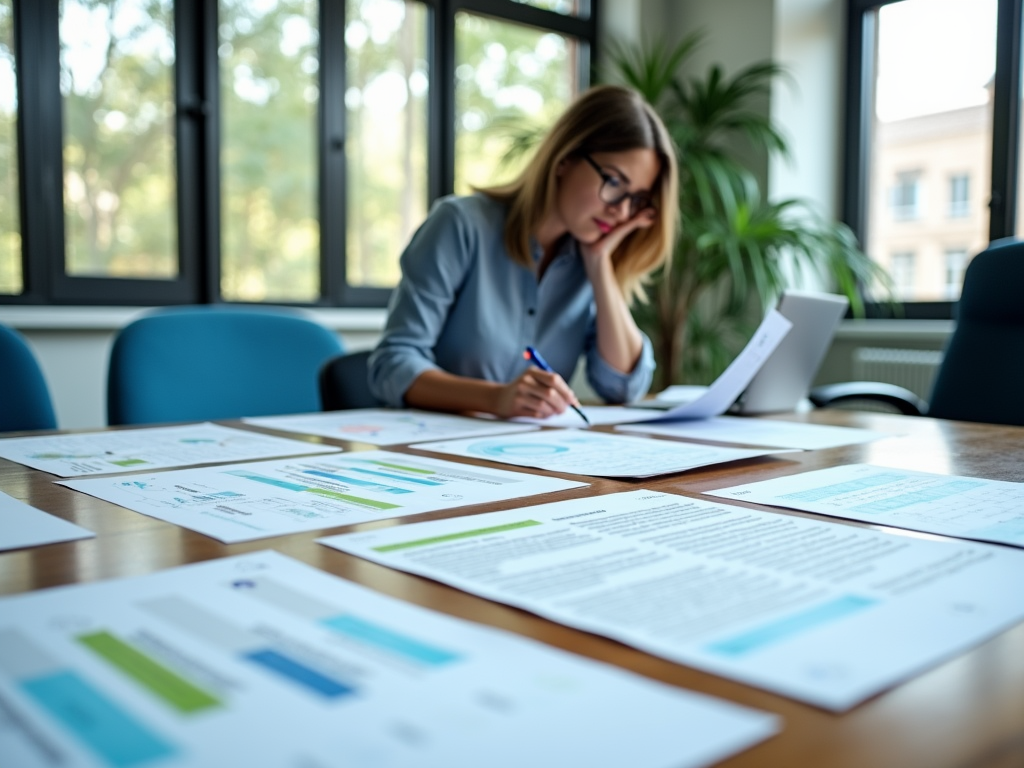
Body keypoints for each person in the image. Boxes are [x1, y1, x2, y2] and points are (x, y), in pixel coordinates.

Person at [368, 84, 679, 420]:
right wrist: (497, 398)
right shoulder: (461, 225)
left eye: (637, 199)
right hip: (433, 449)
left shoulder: (585, 260)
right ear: (566, 158)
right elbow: (392, 364)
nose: (621, 211)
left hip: (528, 454)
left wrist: (600, 264)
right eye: (615, 182)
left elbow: (621, 387)